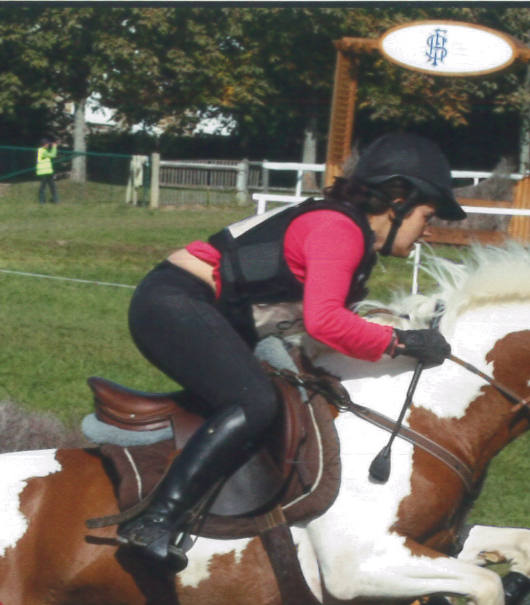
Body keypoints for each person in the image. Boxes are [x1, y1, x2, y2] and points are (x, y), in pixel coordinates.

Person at [117, 132, 464, 572]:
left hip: (204, 309)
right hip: (173, 302)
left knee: (279, 398)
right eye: (427, 215)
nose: (429, 230)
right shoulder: (340, 230)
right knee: (254, 400)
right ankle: (154, 521)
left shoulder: (346, 231)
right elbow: (325, 322)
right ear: (396, 200)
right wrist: (401, 343)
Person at [36, 136, 58, 203]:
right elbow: (53, 155)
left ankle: (56, 200)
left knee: (52, 186)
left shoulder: (44, 150)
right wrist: (54, 147)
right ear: (44, 144)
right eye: (47, 144)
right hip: (43, 172)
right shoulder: (41, 151)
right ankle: (41, 201)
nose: (48, 145)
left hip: (48, 172)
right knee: (43, 187)